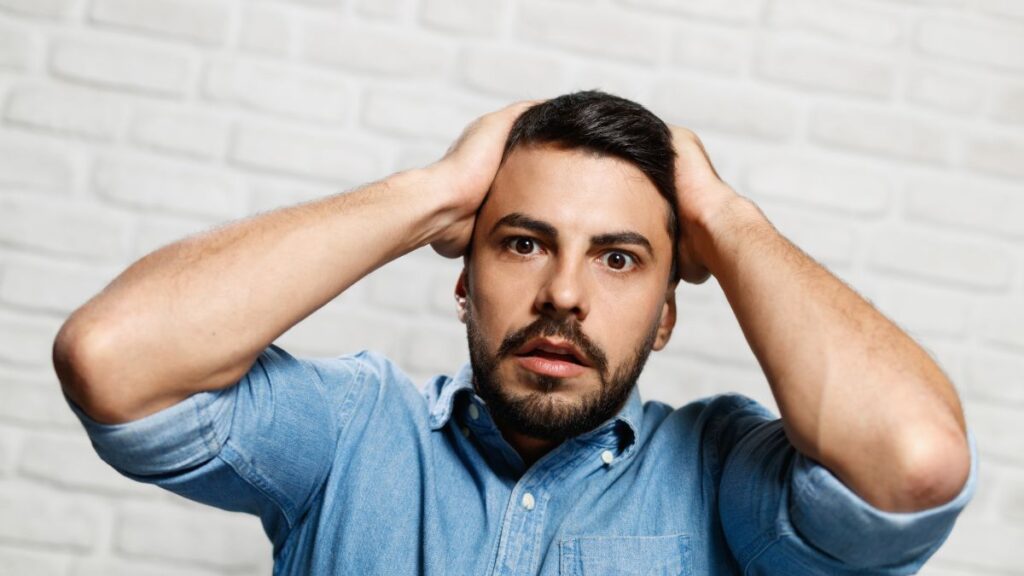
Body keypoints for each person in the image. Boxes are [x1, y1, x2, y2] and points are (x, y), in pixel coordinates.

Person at [53, 90, 977, 574]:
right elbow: (112, 357)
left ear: (666, 314)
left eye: (618, 258)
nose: (563, 294)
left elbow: (913, 460)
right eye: (524, 242)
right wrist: (431, 195)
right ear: (463, 277)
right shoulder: (351, 437)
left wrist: (730, 224)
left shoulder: (721, 473)